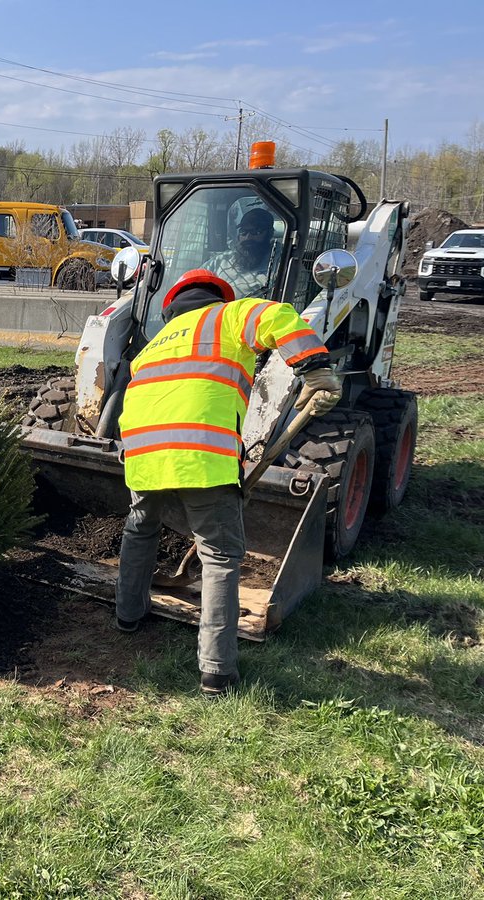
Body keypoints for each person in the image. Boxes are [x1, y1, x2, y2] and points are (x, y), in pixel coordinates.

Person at [114, 269, 341, 697]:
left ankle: (128, 615)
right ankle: (217, 671)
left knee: (140, 528)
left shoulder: (152, 347)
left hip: (142, 451)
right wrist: (316, 369)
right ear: (216, 298)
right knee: (219, 554)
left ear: (172, 308)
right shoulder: (229, 316)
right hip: (201, 453)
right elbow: (280, 317)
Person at [201, 206, 277, 299]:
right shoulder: (221, 261)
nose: (248, 237)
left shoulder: (279, 261)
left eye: (256, 232)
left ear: (269, 233)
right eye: (243, 232)